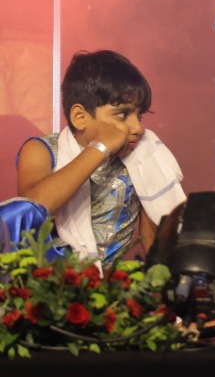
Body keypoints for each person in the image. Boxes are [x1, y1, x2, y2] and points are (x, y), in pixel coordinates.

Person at [11, 49, 184, 264]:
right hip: (49, 280)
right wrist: (100, 149)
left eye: (139, 115)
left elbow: (153, 247)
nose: (138, 128)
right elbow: (31, 209)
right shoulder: (41, 150)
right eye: (123, 114)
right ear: (80, 117)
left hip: (114, 283)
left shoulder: (141, 155)